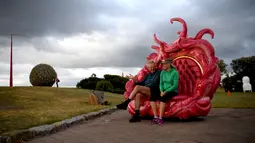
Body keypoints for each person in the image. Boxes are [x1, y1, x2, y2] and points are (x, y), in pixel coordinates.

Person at [150, 58, 179, 125]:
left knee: (163, 98)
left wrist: (165, 91)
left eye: (165, 64)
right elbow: (161, 83)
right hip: (163, 90)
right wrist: (161, 91)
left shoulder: (175, 72)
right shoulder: (162, 72)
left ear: (169, 64)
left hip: (172, 90)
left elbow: (175, 85)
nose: (163, 65)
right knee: (152, 97)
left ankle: (160, 118)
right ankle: (155, 117)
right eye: (163, 64)